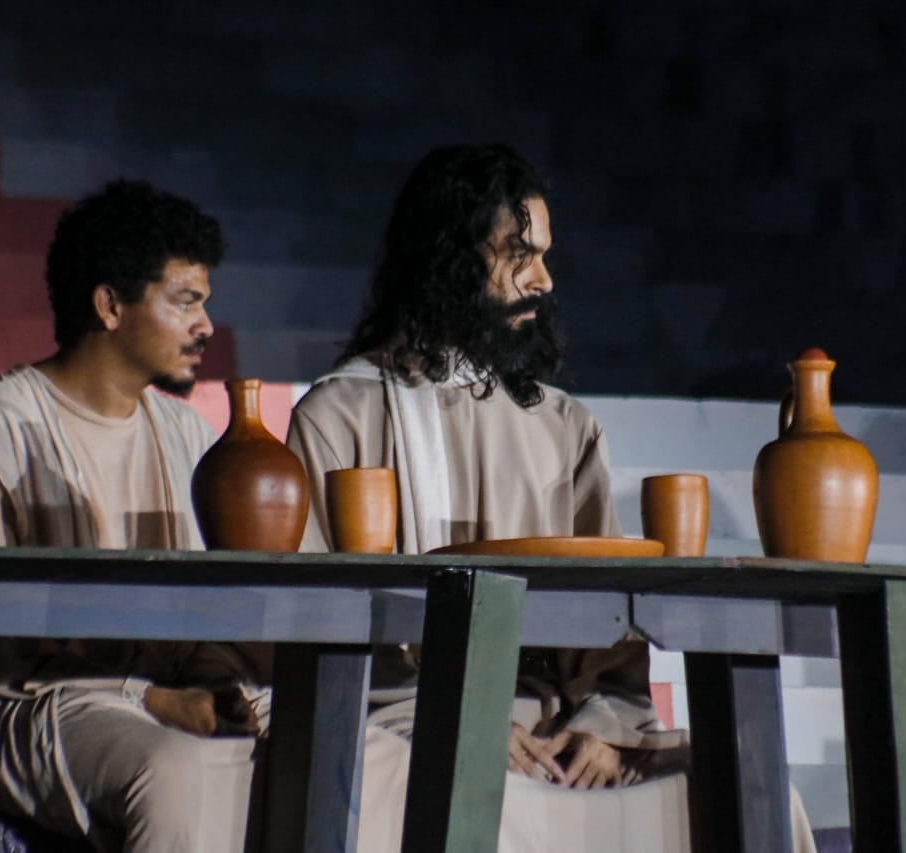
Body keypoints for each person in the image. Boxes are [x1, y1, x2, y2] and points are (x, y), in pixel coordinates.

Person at [286, 145, 817, 852]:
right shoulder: (341, 416)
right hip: (409, 721)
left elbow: (610, 630)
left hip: (558, 732)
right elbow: (318, 628)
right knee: (449, 790)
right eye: (520, 256)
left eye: (544, 255)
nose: (544, 279)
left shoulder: (563, 426)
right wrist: (462, 719)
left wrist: (602, 729)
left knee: (754, 789)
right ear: (450, 257)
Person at [0, 180, 266, 853]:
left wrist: (219, 686)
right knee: (170, 772)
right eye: (186, 302)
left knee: (336, 748)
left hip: (151, 697)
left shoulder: (187, 436)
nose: (207, 325)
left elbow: (202, 609)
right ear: (110, 305)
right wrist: (150, 698)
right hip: (5, 709)